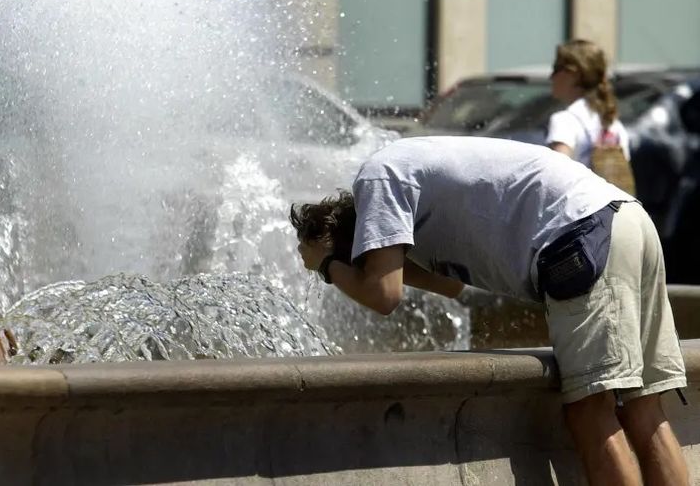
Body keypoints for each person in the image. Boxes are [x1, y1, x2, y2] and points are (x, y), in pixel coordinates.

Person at [290, 135, 688, 486]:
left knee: (591, 410)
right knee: (643, 405)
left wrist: (327, 265)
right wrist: (370, 262)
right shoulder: (409, 182)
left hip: (579, 236)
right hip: (624, 217)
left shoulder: (375, 179)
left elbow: (383, 295)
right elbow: (449, 285)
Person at [547, 39, 630, 165]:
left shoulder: (564, 120)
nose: (551, 76)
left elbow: (558, 176)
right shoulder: (613, 123)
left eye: (556, 68)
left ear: (574, 75)